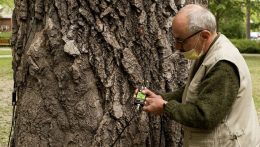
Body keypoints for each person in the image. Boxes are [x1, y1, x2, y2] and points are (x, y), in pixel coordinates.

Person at [138, 4, 260, 147]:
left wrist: (165, 107)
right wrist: (160, 97)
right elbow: (195, 91)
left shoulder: (223, 64)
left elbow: (205, 116)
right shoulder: (207, 50)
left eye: (181, 40)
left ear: (204, 35)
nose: (177, 47)